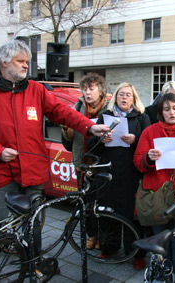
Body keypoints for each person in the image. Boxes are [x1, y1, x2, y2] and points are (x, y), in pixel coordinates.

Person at [0, 40, 110, 224]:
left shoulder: (36, 90)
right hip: (0, 173)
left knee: (33, 226)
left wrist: (89, 126)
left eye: (27, 61)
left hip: (32, 172)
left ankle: (33, 253)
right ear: (4, 62)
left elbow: (62, 112)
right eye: (20, 61)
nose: (26, 65)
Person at [134, 92, 175, 283]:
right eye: (166, 109)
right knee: (161, 241)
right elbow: (138, 162)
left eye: (174, 108)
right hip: (157, 197)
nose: (171, 112)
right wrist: (148, 158)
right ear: (160, 112)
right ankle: (163, 274)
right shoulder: (150, 132)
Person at [89, 82, 150, 269]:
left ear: (134, 99)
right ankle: (109, 249)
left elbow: (149, 143)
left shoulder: (141, 118)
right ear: (115, 97)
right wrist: (101, 139)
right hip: (109, 172)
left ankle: (137, 254)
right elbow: (93, 146)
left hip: (132, 174)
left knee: (132, 216)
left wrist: (135, 139)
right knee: (109, 213)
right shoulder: (105, 116)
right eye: (121, 94)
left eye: (128, 95)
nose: (124, 98)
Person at [61, 72, 109, 250]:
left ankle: (103, 236)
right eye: (85, 89)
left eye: (92, 88)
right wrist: (66, 130)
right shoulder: (76, 109)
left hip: (102, 163)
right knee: (86, 203)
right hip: (82, 163)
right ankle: (92, 235)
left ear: (100, 90)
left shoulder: (108, 109)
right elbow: (67, 144)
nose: (88, 93)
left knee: (102, 204)